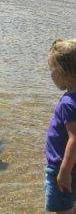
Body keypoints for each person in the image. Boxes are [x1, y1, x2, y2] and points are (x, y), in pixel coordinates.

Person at [45, 38, 76, 213]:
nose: (51, 75)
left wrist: (64, 172)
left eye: (52, 69)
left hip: (61, 167)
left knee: (63, 210)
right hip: (72, 166)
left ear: (64, 72)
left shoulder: (69, 103)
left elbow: (75, 139)